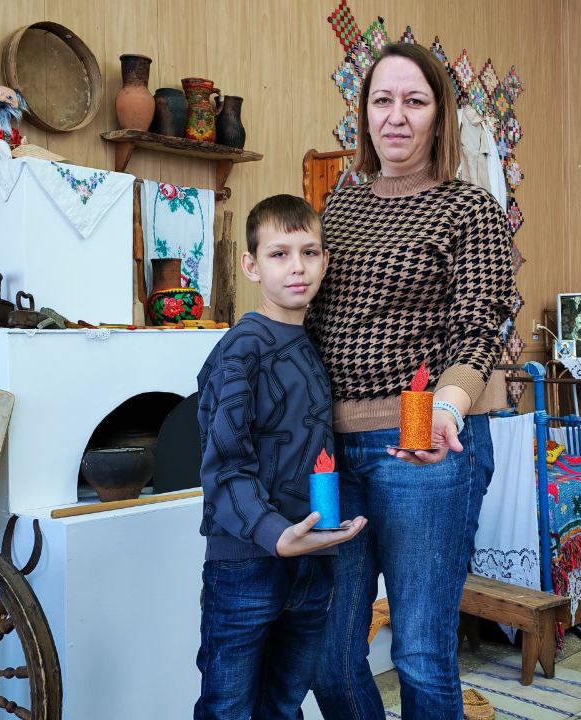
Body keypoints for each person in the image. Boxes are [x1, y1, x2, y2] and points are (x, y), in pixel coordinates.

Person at [306, 42, 516, 719]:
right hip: (331, 457)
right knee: (328, 657)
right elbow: (310, 321)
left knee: (421, 654)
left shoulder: (471, 210)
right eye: (382, 100)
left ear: (439, 115)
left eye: (414, 101)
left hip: (423, 448)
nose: (396, 116)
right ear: (364, 114)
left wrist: (447, 410)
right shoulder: (337, 210)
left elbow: (479, 330)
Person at [194, 194, 369, 720]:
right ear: (251, 266)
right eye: (279, 254)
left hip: (313, 562)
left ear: (325, 261)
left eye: (309, 252)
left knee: (285, 705)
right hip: (246, 564)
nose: (297, 267)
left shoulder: (315, 345)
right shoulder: (242, 347)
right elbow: (225, 462)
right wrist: (273, 533)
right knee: (227, 709)